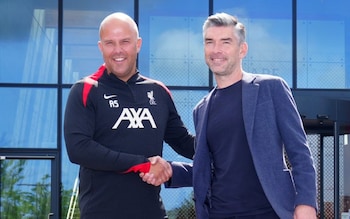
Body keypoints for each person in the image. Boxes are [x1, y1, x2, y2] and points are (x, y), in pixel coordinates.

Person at [142, 12, 318, 219]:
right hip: (219, 213)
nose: (216, 50)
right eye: (210, 42)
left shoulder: (271, 88)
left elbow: (300, 152)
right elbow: (213, 170)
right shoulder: (201, 109)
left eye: (226, 42)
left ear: (242, 49)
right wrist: (171, 170)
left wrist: (306, 203)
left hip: (269, 212)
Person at [64, 12, 194, 219]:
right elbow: (79, 149)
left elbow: (184, 142)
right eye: (110, 43)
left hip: (152, 213)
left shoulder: (159, 92)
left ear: (138, 44)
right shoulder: (86, 90)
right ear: (100, 47)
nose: (118, 50)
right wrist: (142, 164)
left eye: (125, 42)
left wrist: (229, 150)